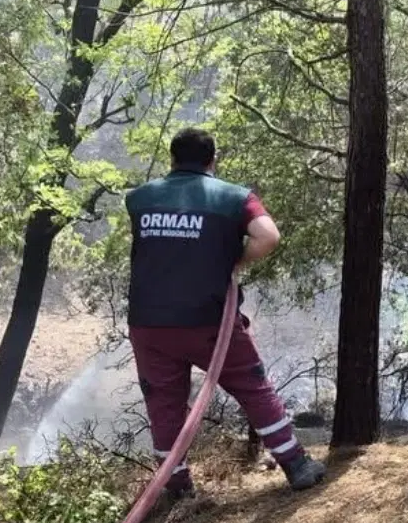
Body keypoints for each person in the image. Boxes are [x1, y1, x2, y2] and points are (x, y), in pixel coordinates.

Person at [125, 128, 326, 499]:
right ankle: (296, 464)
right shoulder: (234, 197)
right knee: (252, 385)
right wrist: (236, 261)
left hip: (148, 322)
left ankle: (177, 487)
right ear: (212, 159)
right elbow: (268, 236)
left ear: (172, 159)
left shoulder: (139, 199)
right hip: (209, 320)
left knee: (164, 403)